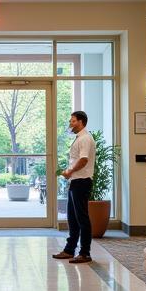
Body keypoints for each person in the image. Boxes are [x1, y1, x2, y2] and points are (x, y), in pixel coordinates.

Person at [53, 111, 96, 264]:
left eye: (73, 121)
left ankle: (85, 253)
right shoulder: (79, 138)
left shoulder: (85, 139)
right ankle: (69, 250)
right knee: (73, 218)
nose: (70, 123)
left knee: (82, 218)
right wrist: (70, 172)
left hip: (82, 182)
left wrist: (70, 171)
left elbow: (83, 160)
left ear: (81, 121)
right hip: (76, 181)